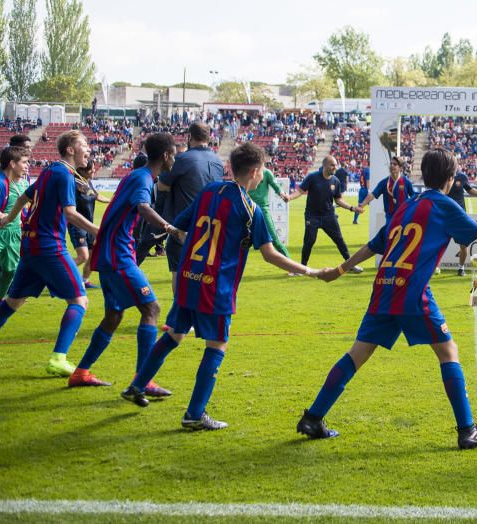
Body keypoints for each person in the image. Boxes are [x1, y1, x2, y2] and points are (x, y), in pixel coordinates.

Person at [296, 149, 477, 448]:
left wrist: (339, 269)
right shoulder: (443, 205)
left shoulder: (406, 206)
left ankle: (313, 416)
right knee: (448, 351)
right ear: (450, 179)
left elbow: (374, 246)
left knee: (357, 353)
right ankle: (467, 430)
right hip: (412, 292)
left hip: (383, 287)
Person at [120, 143, 328, 430]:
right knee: (217, 344)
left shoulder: (208, 191)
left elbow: (179, 229)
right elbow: (270, 254)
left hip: (187, 276)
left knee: (175, 334)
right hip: (214, 286)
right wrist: (310, 270)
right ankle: (194, 414)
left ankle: (137, 384)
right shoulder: (249, 208)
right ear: (256, 172)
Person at [67, 133, 179, 395]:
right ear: (165, 156)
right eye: (174, 154)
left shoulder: (137, 175)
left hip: (110, 254)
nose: (175, 158)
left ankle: (81, 372)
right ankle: (143, 380)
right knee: (151, 308)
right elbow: (141, 206)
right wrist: (168, 227)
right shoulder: (142, 178)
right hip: (118, 255)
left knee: (114, 315)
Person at [0, 131, 100, 376]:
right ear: (70, 150)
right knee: (79, 300)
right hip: (48, 247)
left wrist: (8, 218)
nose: (88, 149)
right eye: (84, 145)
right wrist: (100, 230)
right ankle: (58, 358)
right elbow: (70, 213)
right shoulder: (63, 174)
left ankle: (59, 357)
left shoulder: (51, 170)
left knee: (13, 302)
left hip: (30, 246)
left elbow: (25, 196)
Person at [158, 123, 224, 293]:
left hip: (183, 226)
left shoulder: (183, 158)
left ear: (190, 137)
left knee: (179, 273)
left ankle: (179, 314)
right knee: (202, 274)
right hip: (210, 227)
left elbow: (162, 185)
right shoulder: (218, 160)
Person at [287, 156, 362, 273]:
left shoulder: (335, 181)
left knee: (339, 240)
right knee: (309, 241)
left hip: (329, 216)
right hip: (312, 216)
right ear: (325, 165)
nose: (335, 167)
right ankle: (302, 268)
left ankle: (350, 265)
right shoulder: (312, 177)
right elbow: (301, 191)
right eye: (332, 165)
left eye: (336, 165)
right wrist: (290, 197)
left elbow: (338, 200)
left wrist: (352, 208)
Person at [68, 159, 108, 289]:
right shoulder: (73, 183)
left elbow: (97, 196)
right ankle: (55, 275)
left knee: (92, 255)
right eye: (91, 169)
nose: (93, 171)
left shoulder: (87, 182)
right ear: (81, 171)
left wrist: (113, 201)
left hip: (89, 225)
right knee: (83, 256)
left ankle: (84, 281)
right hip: (77, 223)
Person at [0, 146, 30, 299]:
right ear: (12, 163)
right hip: (0, 231)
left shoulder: (23, 184)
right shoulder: (0, 183)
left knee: (10, 271)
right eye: (24, 162)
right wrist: (4, 216)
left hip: (14, 234)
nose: (27, 166)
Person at [447, 162, 477, 276]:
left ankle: (461, 268)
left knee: (463, 245)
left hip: (460, 215)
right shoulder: (444, 175)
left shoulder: (462, 177)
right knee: (437, 242)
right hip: (446, 214)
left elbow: (469, 189)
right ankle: (432, 267)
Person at [247, 157, 290, 258]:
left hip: (262, 210)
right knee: (238, 240)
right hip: (246, 209)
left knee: (274, 239)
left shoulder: (267, 173)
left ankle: (291, 266)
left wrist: (282, 194)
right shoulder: (248, 172)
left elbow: (276, 186)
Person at [358, 156, 415, 223]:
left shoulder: (406, 181)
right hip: (390, 219)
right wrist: (361, 205)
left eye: (395, 164)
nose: (392, 166)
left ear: (400, 168)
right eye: (391, 164)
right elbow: (372, 194)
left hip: (404, 217)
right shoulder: (384, 182)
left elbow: (414, 196)